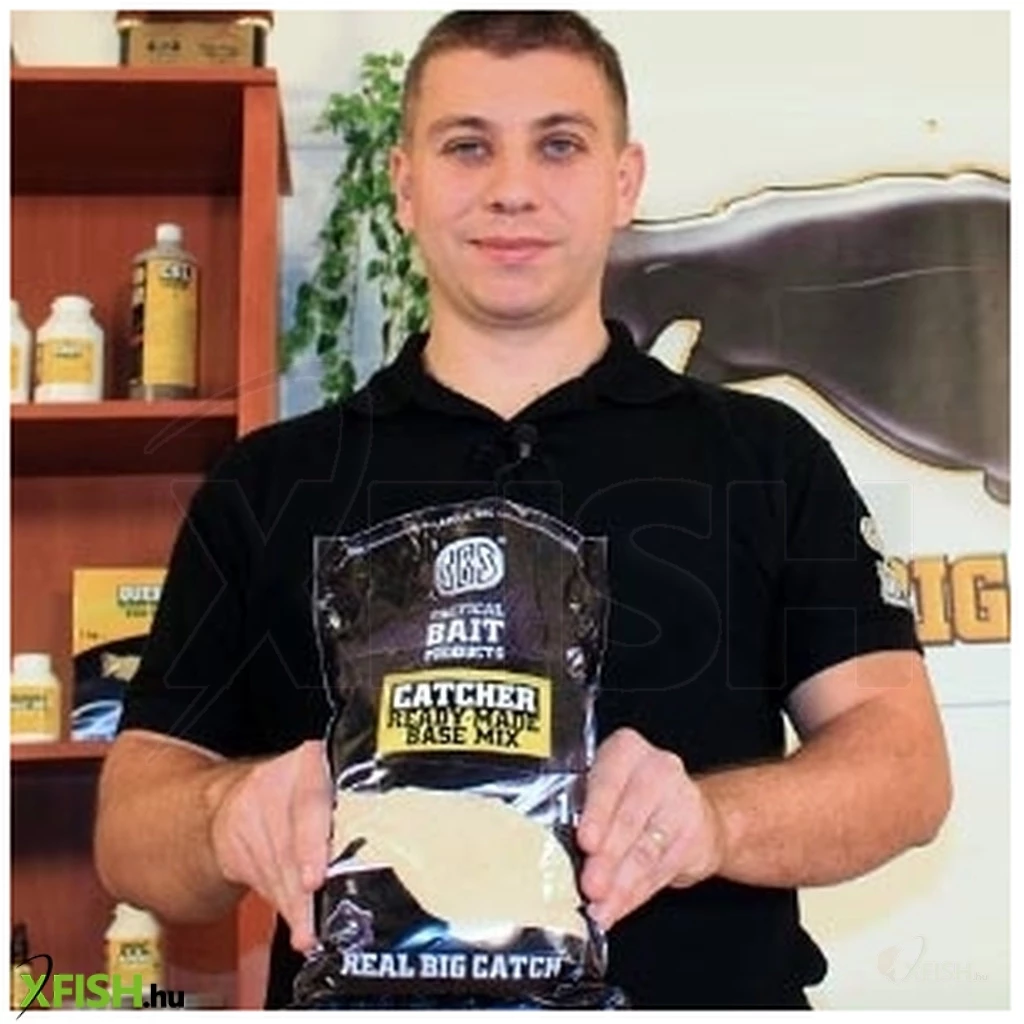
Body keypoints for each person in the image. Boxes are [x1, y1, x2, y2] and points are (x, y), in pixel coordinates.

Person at [94, 11, 952, 1010]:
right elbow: (129, 825)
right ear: (405, 186)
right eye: (467, 146)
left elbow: (903, 766)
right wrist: (222, 811)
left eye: (559, 145)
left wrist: (710, 823)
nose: (511, 187)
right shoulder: (266, 483)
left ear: (623, 181)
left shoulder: (764, 457)